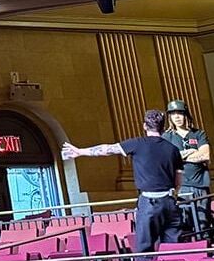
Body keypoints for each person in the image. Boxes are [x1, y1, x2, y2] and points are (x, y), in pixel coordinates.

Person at [62, 108, 184, 253]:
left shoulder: (137, 144)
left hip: (149, 203)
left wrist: (80, 151)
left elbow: (107, 149)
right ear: (163, 127)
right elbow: (178, 181)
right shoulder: (173, 149)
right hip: (169, 201)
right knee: (174, 249)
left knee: (145, 250)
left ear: (144, 126)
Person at [163, 100, 212, 235]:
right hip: (180, 187)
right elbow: (167, 160)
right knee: (184, 223)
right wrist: (190, 152)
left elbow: (205, 155)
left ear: (186, 115)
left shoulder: (198, 134)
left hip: (200, 185)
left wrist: (179, 156)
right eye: (173, 114)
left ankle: (208, 252)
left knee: (203, 223)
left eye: (180, 113)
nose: (177, 117)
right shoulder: (167, 137)